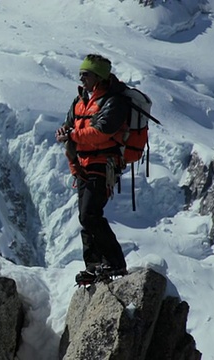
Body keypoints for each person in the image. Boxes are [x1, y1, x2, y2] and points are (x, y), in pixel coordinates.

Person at [55, 54, 129, 283]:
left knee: (89, 214)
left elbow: (102, 131)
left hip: (103, 164)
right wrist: (71, 154)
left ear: (99, 76)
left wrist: (72, 135)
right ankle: (94, 265)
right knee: (86, 217)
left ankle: (115, 262)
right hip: (83, 166)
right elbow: (68, 130)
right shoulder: (80, 100)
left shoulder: (114, 101)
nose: (81, 78)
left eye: (86, 74)